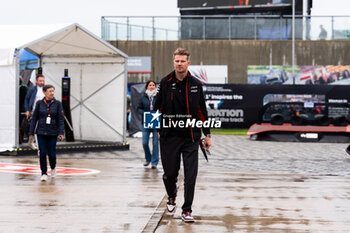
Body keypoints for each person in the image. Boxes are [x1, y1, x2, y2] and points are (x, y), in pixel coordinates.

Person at [154, 48, 212, 222]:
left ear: (188, 63)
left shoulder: (196, 84)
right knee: (170, 174)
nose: (179, 64)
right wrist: (158, 129)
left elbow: (202, 110)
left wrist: (207, 134)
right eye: (177, 61)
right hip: (169, 136)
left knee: (191, 175)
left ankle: (187, 210)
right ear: (174, 62)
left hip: (191, 137)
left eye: (182, 61)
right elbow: (155, 108)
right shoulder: (165, 82)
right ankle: (171, 196)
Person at [29, 84, 64, 182]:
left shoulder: (57, 104)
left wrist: (61, 132)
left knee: (52, 154)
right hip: (41, 132)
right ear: (44, 92)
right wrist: (31, 132)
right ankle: (43, 173)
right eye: (50, 91)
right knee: (42, 153)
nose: (52, 93)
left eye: (53, 91)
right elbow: (34, 119)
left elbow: (60, 119)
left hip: (53, 133)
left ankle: (53, 168)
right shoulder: (39, 103)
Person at [137, 80, 159, 169]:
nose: (152, 86)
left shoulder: (158, 97)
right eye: (150, 85)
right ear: (147, 87)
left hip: (156, 122)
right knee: (144, 142)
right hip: (146, 122)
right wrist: (144, 113)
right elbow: (139, 108)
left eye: (153, 85)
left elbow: (162, 106)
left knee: (155, 143)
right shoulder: (143, 97)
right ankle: (148, 158)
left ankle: (154, 162)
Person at [24, 74, 45, 149]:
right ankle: (33, 143)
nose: (42, 82)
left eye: (43, 81)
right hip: (35, 111)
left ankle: (36, 143)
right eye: (40, 81)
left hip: (44, 111)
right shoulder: (32, 89)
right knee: (34, 128)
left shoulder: (46, 89)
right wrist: (27, 110)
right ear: (36, 81)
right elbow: (26, 100)